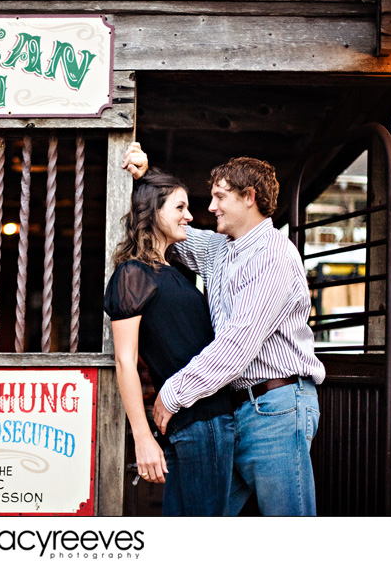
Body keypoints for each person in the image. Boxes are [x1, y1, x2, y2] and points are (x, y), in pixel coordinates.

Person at [123, 143, 326, 516]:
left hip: (277, 408)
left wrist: (173, 393)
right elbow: (174, 230)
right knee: (203, 517)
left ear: (249, 197)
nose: (210, 207)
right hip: (239, 411)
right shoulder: (224, 248)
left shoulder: (273, 255)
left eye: (220, 197)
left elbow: (237, 345)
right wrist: (146, 178)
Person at [104, 167, 236, 516]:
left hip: (206, 421)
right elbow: (125, 362)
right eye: (179, 208)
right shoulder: (133, 274)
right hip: (197, 424)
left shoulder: (174, 272)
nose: (190, 216)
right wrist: (143, 437)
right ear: (153, 212)